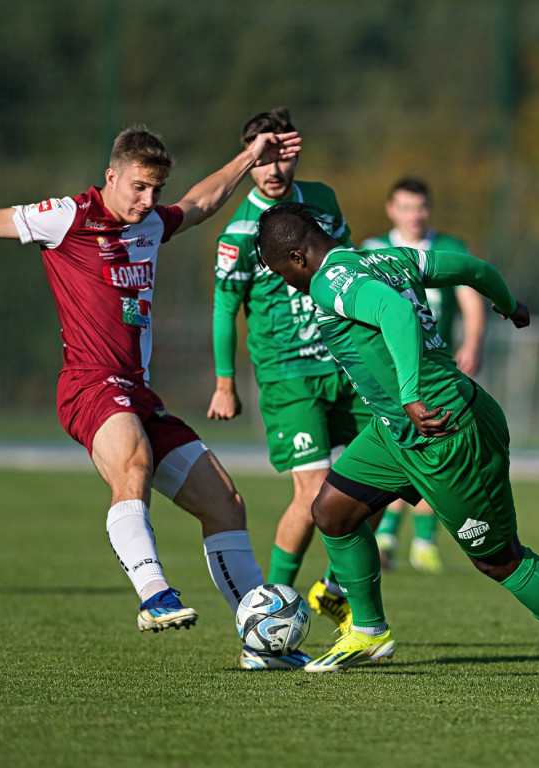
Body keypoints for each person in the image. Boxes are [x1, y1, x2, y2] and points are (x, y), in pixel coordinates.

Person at [0, 124, 309, 671]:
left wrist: (249, 156)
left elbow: (201, 202)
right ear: (111, 177)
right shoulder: (67, 217)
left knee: (225, 501)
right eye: (137, 187)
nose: (147, 200)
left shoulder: (153, 223)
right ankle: (155, 594)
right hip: (89, 382)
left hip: (137, 389)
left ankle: (263, 645)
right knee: (132, 463)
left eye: (155, 189)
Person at [254, 201, 539, 680]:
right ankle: (369, 630)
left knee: (498, 559)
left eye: (280, 271)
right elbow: (473, 268)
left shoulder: (326, 283)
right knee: (332, 511)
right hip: (396, 432)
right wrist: (507, 303)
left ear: (296, 258)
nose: (284, 280)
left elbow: (395, 310)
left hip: (446, 427)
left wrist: (410, 395)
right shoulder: (388, 258)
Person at [206, 107, 362, 632]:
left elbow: (348, 266)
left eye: (278, 156)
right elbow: (226, 306)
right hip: (287, 373)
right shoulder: (239, 229)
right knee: (313, 489)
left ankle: (335, 589)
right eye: (260, 159)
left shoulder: (323, 201)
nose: (271, 170)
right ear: (249, 162)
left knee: (392, 471)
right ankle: (270, 609)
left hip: (343, 364)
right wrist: (225, 382)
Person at [361, 178, 487, 574]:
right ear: (391, 209)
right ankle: (389, 535)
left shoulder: (448, 247)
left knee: (435, 449)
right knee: (400, 449)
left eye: (421, 207)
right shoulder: (371, 251)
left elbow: (470, 295)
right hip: (389, 376)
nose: (415, 215)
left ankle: (422, 542)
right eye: (406, 207)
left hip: (436, 374)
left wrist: (473, 341)